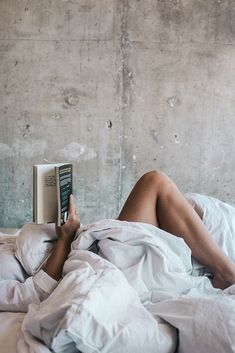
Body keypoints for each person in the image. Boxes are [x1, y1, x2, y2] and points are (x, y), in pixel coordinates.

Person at [1, 170, 235, 312]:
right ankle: (227, 273)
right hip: (105, 264)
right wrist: (65, 239)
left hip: (89, 246)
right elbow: (34, 295)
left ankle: (210, 266)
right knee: (154, 183)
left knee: (183, 205)